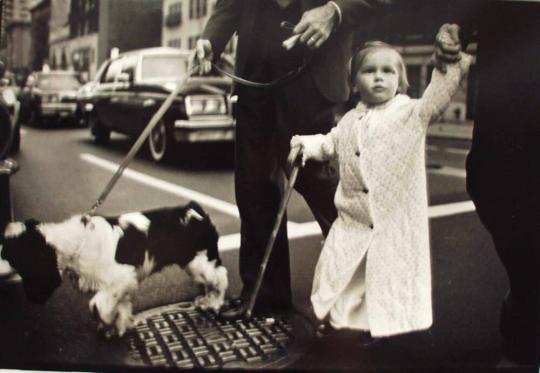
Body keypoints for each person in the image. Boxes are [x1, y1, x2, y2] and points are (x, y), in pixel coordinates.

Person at [193, 0, 394, 318]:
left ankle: (370, 296)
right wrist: (211, 39)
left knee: (323, 187)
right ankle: (265, 295)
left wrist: (334, 10)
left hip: (311, 72)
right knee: (254, 188)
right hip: (255, 77)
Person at [290, 25, 472, 340]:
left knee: (378, 278)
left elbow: (436, 98)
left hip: (391, 220)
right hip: (353, 219)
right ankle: (336, 319)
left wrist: (448, 67)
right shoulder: (349, 120)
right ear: (354, 83)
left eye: (388, 71)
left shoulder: (410, 113)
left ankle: (369, 327)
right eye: (369, 71)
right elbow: (331, 142)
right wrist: (305, 146)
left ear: (400, 80)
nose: (378, 77)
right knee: (339, 270)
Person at [436, 0, 540, 365]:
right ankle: (525, 291)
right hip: (506, 82)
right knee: (489, 182)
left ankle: (524, 330)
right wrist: (455, 28)